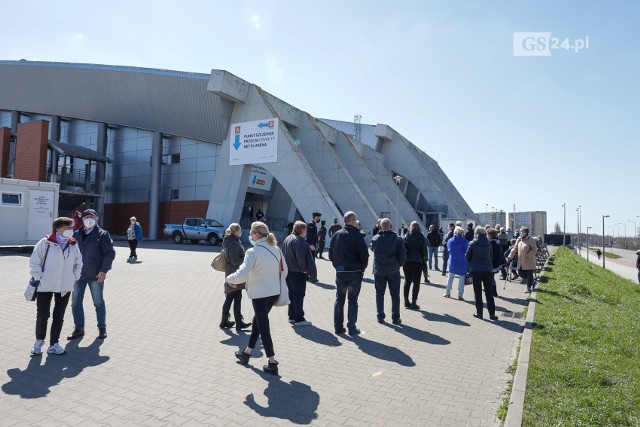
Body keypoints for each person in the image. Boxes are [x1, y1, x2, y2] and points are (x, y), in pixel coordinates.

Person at [226, 221, 284, 375]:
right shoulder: (276, 248)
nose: (249, 235)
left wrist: (229, 279)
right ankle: (246, 353)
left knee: (263, 327)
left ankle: (272, 362)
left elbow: (243, 273)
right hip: (274, 292)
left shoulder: (253, 251)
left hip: (260, 294)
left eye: (251, 232)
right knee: (257, 322)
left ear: (257, 235)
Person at [29, 217, 83, 356]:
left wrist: (74, 277)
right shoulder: (45, 242)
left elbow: (79, 262)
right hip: (45, 285)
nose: (71, 230)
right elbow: (34, 262)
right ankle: (39, 342)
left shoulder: (73, 244)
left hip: (65, 286)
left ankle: (54, 344)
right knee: (42, 315)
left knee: (58, 316)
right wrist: (40, 277)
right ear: (58, 227)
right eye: (68, 227)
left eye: (72, 228)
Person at [67, 209, 116, 341]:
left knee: (98, 303)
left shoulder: (103, 234)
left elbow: (110, 253)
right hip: (78, 275)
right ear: (82, 219)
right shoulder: (76, 234)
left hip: (96, 275)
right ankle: (79, 329)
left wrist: (104, 271)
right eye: (87, 216)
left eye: (92, 216)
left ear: (97, 219)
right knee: (75, 303)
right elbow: (70, 253)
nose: (89, 219)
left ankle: (102, 328)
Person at [329, 211, 369, 336]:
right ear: (352, 221)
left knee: (339, 300)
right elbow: (364, 255)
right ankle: (352, 328)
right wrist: (362, 268)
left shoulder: (336, 234)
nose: (357, 223)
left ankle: (338, 328)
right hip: (355, 273)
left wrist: (337, 266)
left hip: (341, 272)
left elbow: (331, 254)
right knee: (352, 301)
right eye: (355, 220)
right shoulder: (357, 235)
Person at [370, 218, 407, 325]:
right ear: (390, 226)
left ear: (380, 226)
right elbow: (403, 255)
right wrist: (399, 265)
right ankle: (395, 318)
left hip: (379, 271)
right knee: (395, 295)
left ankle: (380, 316)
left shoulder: (376, 238)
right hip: (393, 270)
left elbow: (372, 249)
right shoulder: (397, 238)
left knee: (379, 294)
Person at [282, 221, 316, 326]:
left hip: (288, 271)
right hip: (298, 272)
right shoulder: (300, 241)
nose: (306, 232)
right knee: (299, 295)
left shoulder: (288, 238)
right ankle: (299, 318)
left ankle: (291, 316)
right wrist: (305, 270)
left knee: (291, 294)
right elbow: (301, 258)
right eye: (305, 230)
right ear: (302, 230)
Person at [221, 223, 252, 332]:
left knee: (232, 297)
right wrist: (246, 259)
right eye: (240, 231)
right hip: (234, 274)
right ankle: (235, 323)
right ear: (236, 232)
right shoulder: (234, 243)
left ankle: (230, 322)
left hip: (232, 273)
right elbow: (235, 261)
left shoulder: (230, 240)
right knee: (233, 298)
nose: (241, 232)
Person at [466, 226, 498, 320]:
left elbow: (467, 257)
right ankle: (492, 314)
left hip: (476, 270)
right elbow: (491, 257)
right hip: (487, 269)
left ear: (476, 233)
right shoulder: (488, 243)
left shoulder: (472, 243)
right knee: (489, 292)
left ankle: (479, 313)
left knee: (478, 292)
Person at [403, 221, 428, 310]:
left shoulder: (406, 235)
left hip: (407, 262)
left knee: (407, 281)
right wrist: (425, 259)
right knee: (416, 282)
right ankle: (414, 302)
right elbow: (424, 249)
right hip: (417, 262)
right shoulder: (421, 236)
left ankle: (406, 301)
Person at [507, 227, 538, 293]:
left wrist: (528, 256)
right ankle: (533, 282)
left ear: (526, 232)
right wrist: (510, 256)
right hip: (520, 260)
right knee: (520, 273)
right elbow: (514, 248)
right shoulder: (519, 239)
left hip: (529, 260)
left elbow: (534, 249)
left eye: (522, 232)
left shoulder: (531, 239)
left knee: (529, 275)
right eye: (520, 231)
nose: (521, 233)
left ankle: (528, 289)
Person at [443, 226, 469, 300]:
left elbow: (449, 249)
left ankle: (447, 292)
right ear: (462, 233)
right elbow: (467, 250)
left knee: (450, 276)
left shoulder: (450, 240)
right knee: (461, 277)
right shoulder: (465, 241)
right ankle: (460, 295)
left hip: (453, 260)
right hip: (462, 260)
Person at [488, 228, 504, 298]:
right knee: (492, 277)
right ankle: (493, 291)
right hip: (496, 261)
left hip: (492, 262)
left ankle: (493, 292)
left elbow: (490, 252)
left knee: (491, 278)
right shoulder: (497, 240)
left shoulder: (492, 242)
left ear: (489, 234)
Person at [305, 212, 321, 282]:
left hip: (313, 244)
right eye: (319, 217)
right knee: (311, 262)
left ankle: (308, 276)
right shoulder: (311, 225)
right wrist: (310, 244)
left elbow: (313, 235)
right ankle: (312, 277)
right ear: (316, 217)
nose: (319, 219)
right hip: (311, 245)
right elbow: (309, 236)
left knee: (310, 261)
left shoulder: (313, 224)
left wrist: (317, 238)